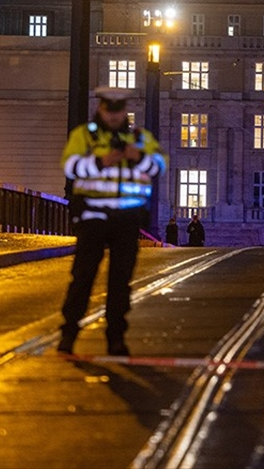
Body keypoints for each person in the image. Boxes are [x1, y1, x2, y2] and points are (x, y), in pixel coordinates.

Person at [57, 87, 165, 356]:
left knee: (120, 281)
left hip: (127, 220)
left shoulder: (139, 139)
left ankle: (116, 337)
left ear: (124, 111)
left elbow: (159, 166)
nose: (115, 116)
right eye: (110, 110)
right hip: (93, 217)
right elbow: (70, 166)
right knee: (83, 276)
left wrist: (135, 157)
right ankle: (69, 332)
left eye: (119, 111)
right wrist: (102, 161)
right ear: (101, 109)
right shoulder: (85, 135)